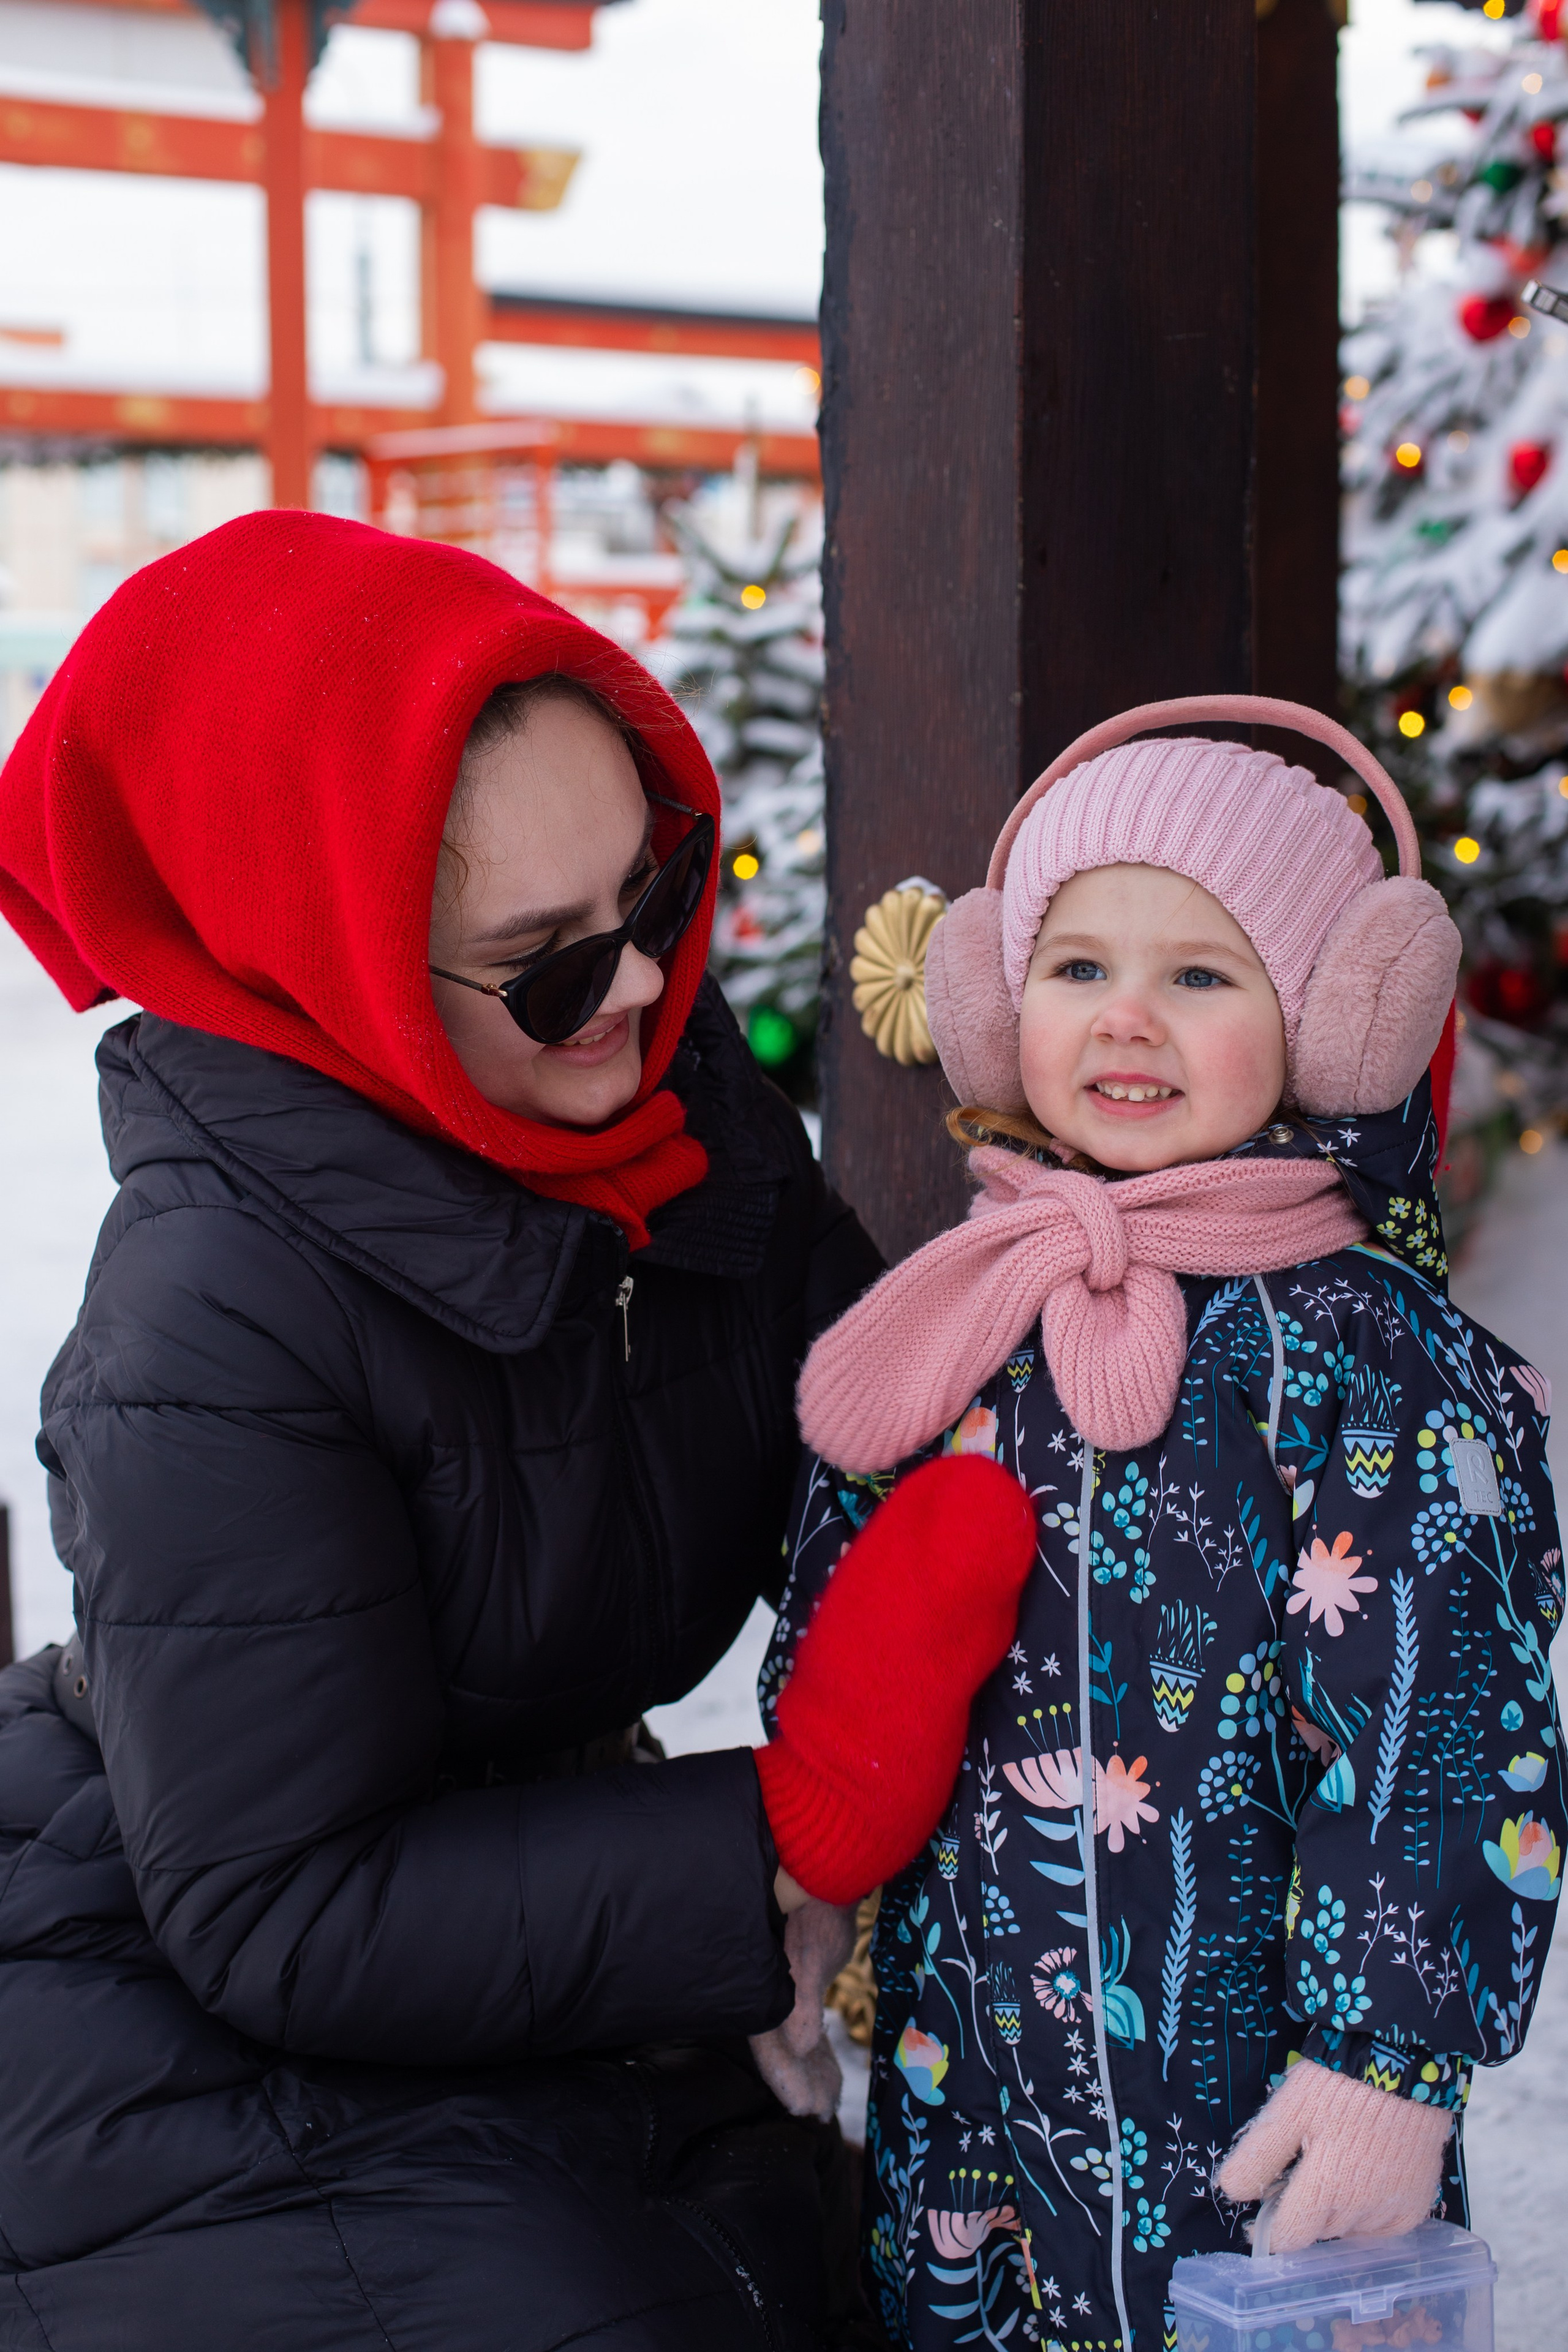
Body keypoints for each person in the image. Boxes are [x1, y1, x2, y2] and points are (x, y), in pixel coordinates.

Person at [0, 509, 921, 2350]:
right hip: (184, 1984)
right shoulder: (205, 1316)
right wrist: (764, 1867)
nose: (647, 988)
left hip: (532, 1898)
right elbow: (278, 1903)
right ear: (336, 961)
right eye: (553, 962)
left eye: (657, 898)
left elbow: (886, 1418)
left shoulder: (663, 1107)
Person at [760, 698, 1567, 2352]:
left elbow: (1438, 1717)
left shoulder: (1358, 1351)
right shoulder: (960, 1315)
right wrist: (782, 1904)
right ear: (993, 1006)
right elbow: (844, 1653)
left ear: (1333, 1020)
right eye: (1077, 969)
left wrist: (1385, 2062)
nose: (1128, 1018)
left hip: (1263, 2115)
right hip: (968, 2092)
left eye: (1200, 976)